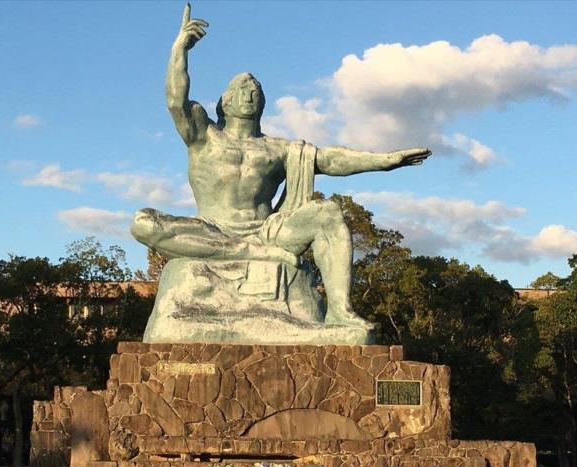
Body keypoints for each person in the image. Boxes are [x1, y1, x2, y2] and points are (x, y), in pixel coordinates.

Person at [131, 4, 430, 329]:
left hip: (267, 232)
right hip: (211, 229)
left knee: (328, 214)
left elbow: (330, 159)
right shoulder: (204, 136)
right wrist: (180, 49)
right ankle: (249, 252)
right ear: (225, 102)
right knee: (144, 224)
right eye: (241, 89)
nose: (250, 94)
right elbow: (176, 100)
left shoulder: (278, 149)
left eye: (255, 89)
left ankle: (339, 312)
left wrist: (385, 161)